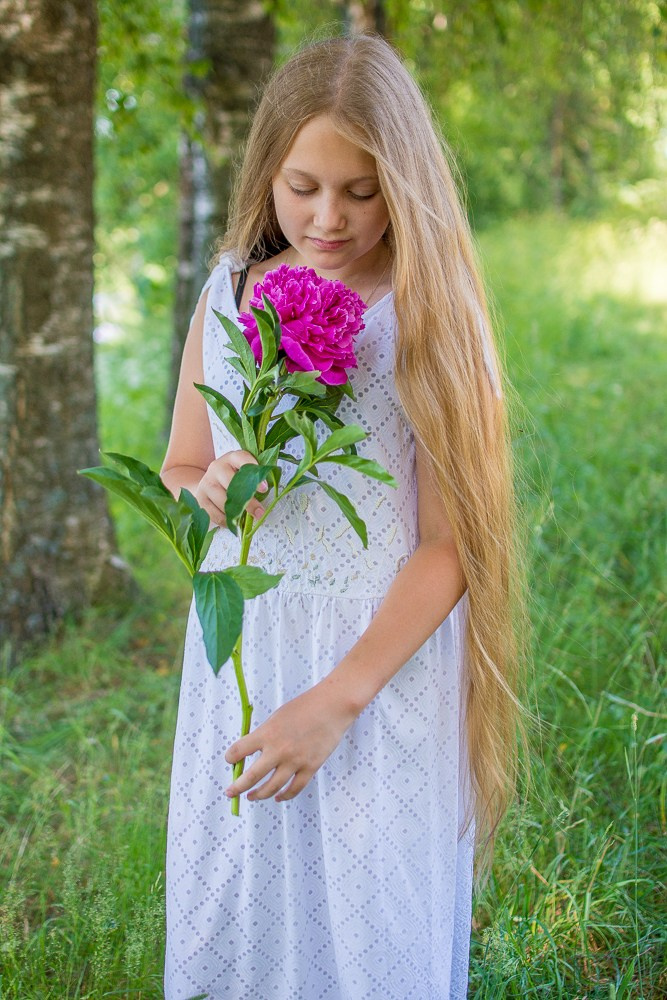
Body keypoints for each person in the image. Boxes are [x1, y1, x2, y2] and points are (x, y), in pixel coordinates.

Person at [160, 32, 522, 1000]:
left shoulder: (428, 310)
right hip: (245, 645)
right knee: (243, 897)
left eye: (362, 192)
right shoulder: (231, 288)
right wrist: (208, 487)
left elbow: (451, 544)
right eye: (302, 186)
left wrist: (337, 700)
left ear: (403, 184)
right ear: (266, 174)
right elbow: (180, 465)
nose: (328, 217)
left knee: (366, 918)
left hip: (374, 661)